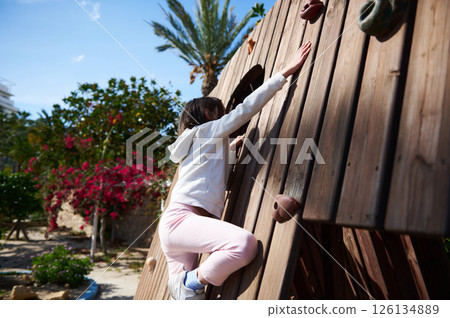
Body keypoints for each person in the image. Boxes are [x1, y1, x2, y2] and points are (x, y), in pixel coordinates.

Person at [159, 41, 312, 300]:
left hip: (178, 226)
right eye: (214, 114)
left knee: (188, 302)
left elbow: (216, 180)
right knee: (244, 245)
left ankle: (187, 283)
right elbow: (244, 111)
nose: (220, 119)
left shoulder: (196, 146)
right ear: (199, 116)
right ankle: (192, 281)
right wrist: (283, 73)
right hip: (182, 220)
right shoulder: (203, 131)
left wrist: (229, 149)